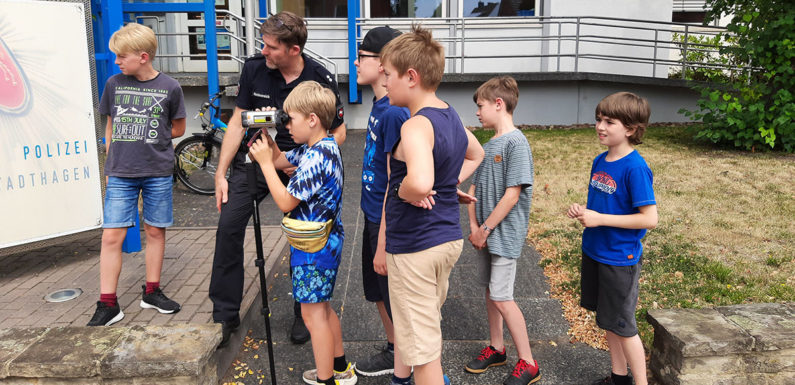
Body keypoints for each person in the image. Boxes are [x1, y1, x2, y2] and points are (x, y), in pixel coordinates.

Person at [209, 11, 346, 347]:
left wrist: (308, 161)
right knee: (228, 226)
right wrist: (221, 172)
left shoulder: (320, 76)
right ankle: (224, 316)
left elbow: (338, 132)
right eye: (263, 45)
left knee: (306, 234)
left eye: (271, 46)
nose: (264, 51)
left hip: (301, 163)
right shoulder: (255, 68)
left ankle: (306, 312)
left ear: (294, 49)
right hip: (258, 158)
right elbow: (239, 121)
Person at [379, 24, 485, 385]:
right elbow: (476, 152)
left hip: (414, 248)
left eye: (388, 75)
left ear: (411, 77)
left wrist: (407, 191)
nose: (384, 83)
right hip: (445, 241)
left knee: (423, 355)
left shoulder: (415, 125)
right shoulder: (449, 115)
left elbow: (419, 182)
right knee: (425, 335)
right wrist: (447, 184)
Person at [248, 81, 355, 385]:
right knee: (322, 308)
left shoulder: (317, 158)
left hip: (313, 249)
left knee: (311, 317)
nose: (287, 126)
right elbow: (283, 160)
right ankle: (340, 368)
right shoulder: (318, 148)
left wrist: (264, 164)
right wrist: (268, 141)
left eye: (290, 119)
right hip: (324, 242)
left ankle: (325, 380)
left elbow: (284, 200)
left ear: (312, 119)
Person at [88, 23, 186, 326]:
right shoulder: (114, 84)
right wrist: (109, 166)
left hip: (156, 171)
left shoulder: (170, 87)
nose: (116, 61)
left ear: (143, 57)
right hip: (120, 172)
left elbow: (179, 128)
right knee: (111, 236)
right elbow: (110, 127)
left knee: (156, 231)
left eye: (122, 56)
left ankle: (152, 291)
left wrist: (149, 133)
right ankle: (108, 304)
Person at [566, 92, 658, 385]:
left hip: (620, 259)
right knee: (607, 320)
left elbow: (649, 218)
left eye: (609, 121)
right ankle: (619, 377)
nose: (600, 126)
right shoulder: (600, 160)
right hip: (594, 250)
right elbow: (602, 204)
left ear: (630, 129)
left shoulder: (635, 168)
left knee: (624, 325)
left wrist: (600, 219)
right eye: (598, 119)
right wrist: (584, 211)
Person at [463, 76, 541, 385]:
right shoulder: (489, 144)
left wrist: (485, 228)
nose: (478, 112)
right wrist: (472, 225)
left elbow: (513, 194)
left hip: (503, 234)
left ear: (499, 104)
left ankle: (529, 362)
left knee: (502, 296)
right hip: (484, 233)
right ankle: (497, 347)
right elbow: (473, 188)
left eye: (481, 106)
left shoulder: (516, 143)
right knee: (490, 292)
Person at [351, 26, 414, 384]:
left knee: (395, 297)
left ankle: (410, 364)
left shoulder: (394, 112)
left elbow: (399, 177)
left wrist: (383, 238)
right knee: (376, 291)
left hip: (386, 219)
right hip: (372, 212)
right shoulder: (380, 105)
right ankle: (395, 350)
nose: (355, 62)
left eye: (362, 57)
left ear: (384, 62)